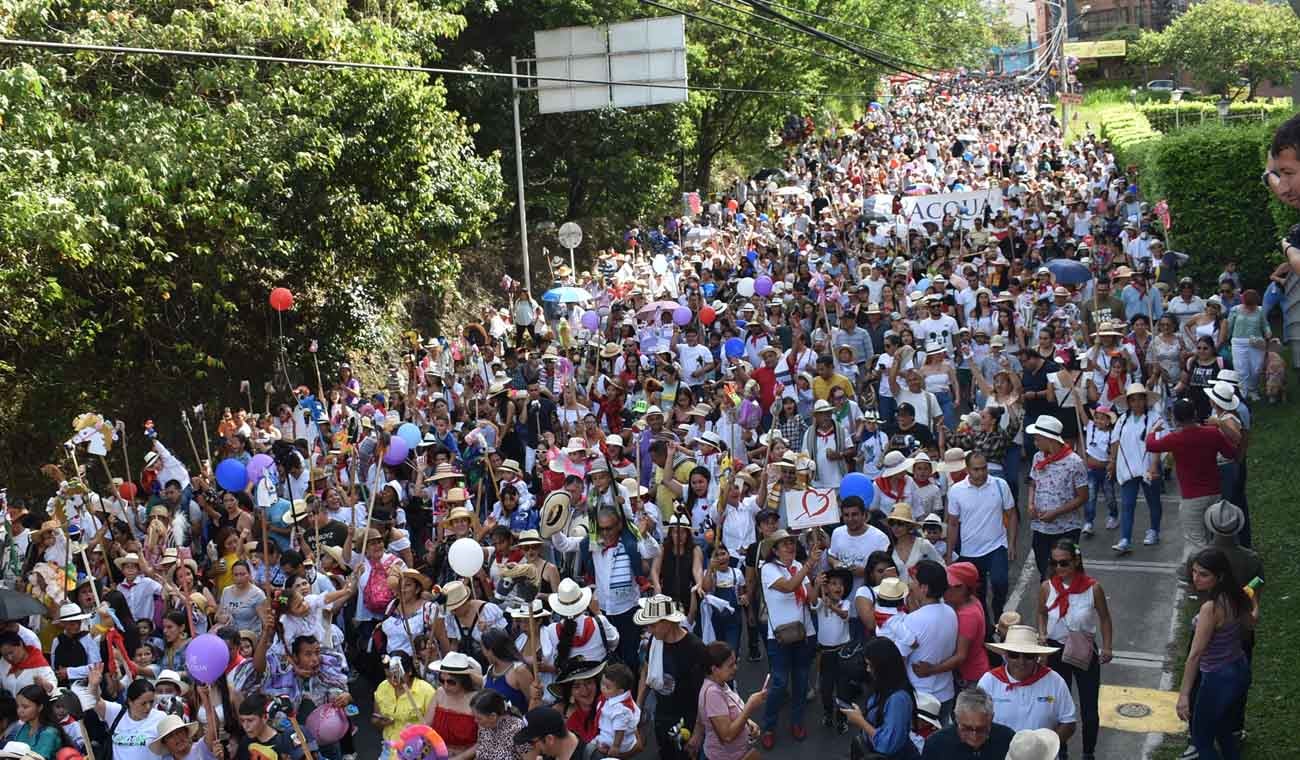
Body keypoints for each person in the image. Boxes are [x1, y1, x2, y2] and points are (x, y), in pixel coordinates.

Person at [1037, 541, 1113, 760]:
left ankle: (1088, 753)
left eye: (1064, 563)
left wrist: (1107, 647)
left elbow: (1105, 618)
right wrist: (1042, 633)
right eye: (1054, 563)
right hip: (1055, 651)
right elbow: (1041, 613)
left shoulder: (1093, 589)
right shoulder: (1047, 587)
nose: (1058, 568)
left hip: (1083, 649)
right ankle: (1060, 750)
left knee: (1089, 709)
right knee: (1056, 706)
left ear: (1076, 561)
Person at [1178, 548, 1256, 760]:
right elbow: (1251, 623)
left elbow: (1195, 655)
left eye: (1204, 574)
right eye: (1194, 571)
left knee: (1202, 739)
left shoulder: (1210, 608)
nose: (1196, 578)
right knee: (1223, 729)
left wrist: (1184, 695)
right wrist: (1254, 602)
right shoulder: (1236, 596)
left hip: (1217, 677)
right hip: (1239, 668)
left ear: (1219, 576)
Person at [1144, 398, 1238, 571]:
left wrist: (1153, 431)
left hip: (1192, 497)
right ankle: (1218, 573)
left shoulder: (1175, 438)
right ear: (1195, 414)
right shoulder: (1212, 433)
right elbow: (1231, 453)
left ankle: (1199, 576)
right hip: (1215, 493)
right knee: (1214, 536)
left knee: (1196, 541)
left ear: (1175, 419)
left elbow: (1151, 445)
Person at [756, 529, 821, 747]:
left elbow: (812, 600)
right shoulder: (768, 569)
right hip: (779, 637)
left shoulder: (799, 567)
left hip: (805, 634)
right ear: (774, 550)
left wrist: (817, 583)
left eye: (791, 543)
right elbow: (789, 587)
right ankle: (768, 726)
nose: (790, 546)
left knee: (801, 682)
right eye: (784, 544)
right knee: (779, 683)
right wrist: (809, 565)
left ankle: (797, 722)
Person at [633, 595, 709, 760]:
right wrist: (638, 706)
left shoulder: (694, 648)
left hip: (687, 720)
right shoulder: (655, 640)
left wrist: (697, 733)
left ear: (667, 622)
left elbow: (704, 695)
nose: (649, 630)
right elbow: (646, 671)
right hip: (662, 717)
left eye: (653, 625)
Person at [976, 626, 1077, 748]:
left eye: (1028, 656)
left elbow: (1068, 722)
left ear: (1037, 656)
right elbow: (976, 721)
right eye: (1014, 655)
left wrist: (1047, 748)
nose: (1021, 662)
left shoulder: (1055, 681)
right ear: (1005, 656)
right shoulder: (989, 681)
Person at [947, 452, 1017, 622]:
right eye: (976, 469)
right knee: (978, 594)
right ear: (967, 470)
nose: (981, 473)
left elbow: (1012, 514)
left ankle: (998, 610)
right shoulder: (956, 491)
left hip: (997, 546)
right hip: (969, 552)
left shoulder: (1000, 485)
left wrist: (1011, 544)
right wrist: (949, 554)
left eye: (984, 468)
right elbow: (953, 524)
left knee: (1000, 582)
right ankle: (986, 626)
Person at [1025, 416, 1087, 581]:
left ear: (1050, 439)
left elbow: (1082, 497)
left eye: (1038, 439)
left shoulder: (1075, 462)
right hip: (1040, 527)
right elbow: (1033, 482)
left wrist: (1056, 513)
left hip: (1066, 528)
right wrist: (1030, 504)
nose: (1035, 443)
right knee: (1044, 571)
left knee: (1066, 573)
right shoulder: (1038, 457)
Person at [840, 638, 921, 760]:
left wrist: (860, 721)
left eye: (870, 665)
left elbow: (887, 745)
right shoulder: (884, 686)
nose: (867, 669)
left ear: (883, 667)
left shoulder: (898, 700)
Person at [689, 642, 766, 760]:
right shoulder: (712, 694)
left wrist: (748, 723)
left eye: (735, 663)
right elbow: (727, 736)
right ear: (714, 669)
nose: (735, 668)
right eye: (730, 665)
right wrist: (750, 706)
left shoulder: (721, 684)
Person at [1109, 384, 1162, 554]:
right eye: (1133, 400)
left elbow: (1159, 443)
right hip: (1127, 468)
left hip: (1149, 467)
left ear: (1145, 401)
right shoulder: (1122, 420)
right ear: (1128, 402)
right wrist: (1112, 461)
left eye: (1140, 399)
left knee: (1153, 501)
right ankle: (1125, 539)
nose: (1137, 403)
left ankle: (1154, 530)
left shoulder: (1155, 418)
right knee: (1127, 504)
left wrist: (1154, 466)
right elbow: (1115, 441)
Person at [904, 560, 958, 720]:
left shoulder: (911, 620)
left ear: (924, 588)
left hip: (921, 697)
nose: (911, 585)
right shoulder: (951, 612)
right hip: (946, 693)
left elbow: (900, 657)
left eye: (914, 581)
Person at [86, 666, 167, 760]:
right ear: (130, 702)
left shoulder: (160, 717)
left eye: (151, 702)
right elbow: (96, 701)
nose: (148, 707)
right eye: (143, 703)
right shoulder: (116, 713)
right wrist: (93, 685)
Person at [919, 687, 1015, 759]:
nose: (974, 736)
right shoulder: (936, 744)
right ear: (956, 717)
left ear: (991, 718)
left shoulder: (1007, 739)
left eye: (981, 729)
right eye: (967, 728)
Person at [372, 651, 436, 755]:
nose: (392, 681)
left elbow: (435, 727)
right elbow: (375, 717)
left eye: (396, 676)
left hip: (415, 751)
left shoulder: (426, 691)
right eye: (388, 676)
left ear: (409, 671)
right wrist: (380, 722)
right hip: (388, 749)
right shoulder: (382, 687)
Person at [424, 652, 484, 758]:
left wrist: (460, 758)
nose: (445, 686)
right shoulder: (439, 693)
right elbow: (426, 725)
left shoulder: (477, 700)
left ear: (463, 680)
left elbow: (483, 740)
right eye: (442, 680)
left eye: (451, 682)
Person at [592, 663, 640, 757]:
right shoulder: (614, 696)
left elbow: (620, 730)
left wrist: (615, 747)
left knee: (590, 747)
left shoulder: (621, 709)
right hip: (613, 733)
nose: (603, 688)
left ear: (620, 691)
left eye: (607, 687)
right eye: (602, 683)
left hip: (618, 741)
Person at [10, 686, 69, 760]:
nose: (20, 711)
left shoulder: (49, 733)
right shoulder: (23, 728)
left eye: (25, 707)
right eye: (18, 706)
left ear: (40, 707)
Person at [465, 689, 527, 760]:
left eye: (479, 718)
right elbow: (480, 752)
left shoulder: (518, 729)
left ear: (493, 716)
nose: (475, 721)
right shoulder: (484, 727)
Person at [513, 707, 587, 760]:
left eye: (531, 743)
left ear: (549, 739)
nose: (531, 747)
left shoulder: (589, 756)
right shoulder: (550, 753)